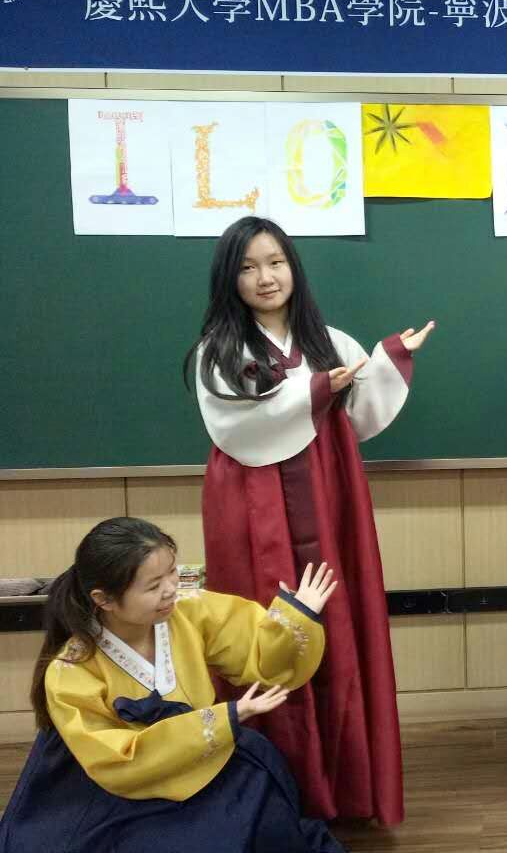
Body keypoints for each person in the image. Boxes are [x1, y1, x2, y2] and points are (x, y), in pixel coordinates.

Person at [185, 215, 433, 825]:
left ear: (293, 267)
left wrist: (390, 358)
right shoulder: (218, 352)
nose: (265, 277)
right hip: (254, 503)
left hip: (327, 494)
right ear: (229, 278)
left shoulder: (328, 340)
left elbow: (360, 411)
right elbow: (241, 426)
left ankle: (348, 787)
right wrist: (317, 391)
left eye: (275, 262)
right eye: (248, 267)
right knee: (265, 624)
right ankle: (274, 789)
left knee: (340, 619)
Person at [0, 517, 343, 852]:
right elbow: (115, 760)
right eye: (153, 586)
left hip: (202, 759)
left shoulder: (189, 612)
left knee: (261, 820)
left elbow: (259, 654)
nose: (170, 590)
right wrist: (225, 718)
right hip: (115, 784)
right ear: (104, 599)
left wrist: (296, 616)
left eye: (172, 572)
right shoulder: (72, 669)